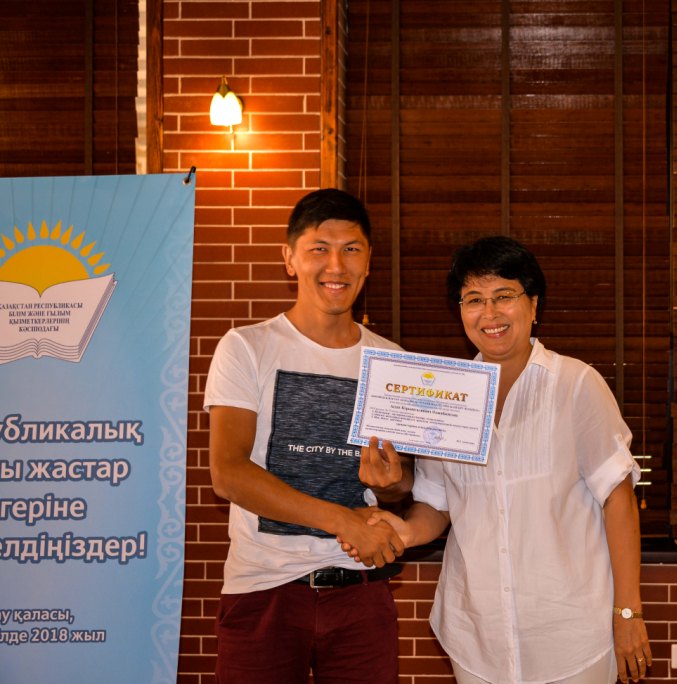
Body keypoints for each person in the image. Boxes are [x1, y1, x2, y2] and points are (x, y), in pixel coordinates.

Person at [358, 235, 652, 683]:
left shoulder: (576, 384)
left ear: (533, 305)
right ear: (460, 311)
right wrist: (405, 531)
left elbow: (618, 498)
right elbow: (438, 505)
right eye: (474, 299)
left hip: (572, 636)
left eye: (504, 296)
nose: (490, 313)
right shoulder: (447, 396)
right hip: (478, 638)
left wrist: (628, 611)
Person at [204, 188, 412, 684]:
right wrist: (342, 520)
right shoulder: (246, 346)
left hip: (362, 593)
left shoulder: (394, 361)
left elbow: (400, 490)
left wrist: (390, 487)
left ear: (368, 262)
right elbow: (228, 473)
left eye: (351, 249)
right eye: (319, 248)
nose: (335, 265)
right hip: (264, 590)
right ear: (290, 258)